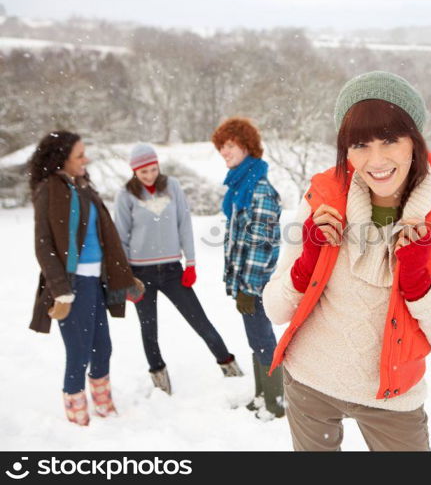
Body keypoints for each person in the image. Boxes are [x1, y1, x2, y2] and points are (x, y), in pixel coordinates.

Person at [262, 71, 431, 451]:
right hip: (309, 381)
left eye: (390, 140)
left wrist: (419, 286)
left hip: (392, 399)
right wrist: (307, 263)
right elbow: (275, 309)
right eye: (359, 144)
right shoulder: (323, 200)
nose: (375, 160)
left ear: (415, 140)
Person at [29, 131, 144, 426]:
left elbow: (107, 238)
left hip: (96, 282)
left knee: (102, 347)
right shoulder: (49, 190)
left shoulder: (83, 187)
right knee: (79, 352)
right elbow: (44, 245)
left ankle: (103, 404)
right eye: (79, 155)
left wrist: (124, 277)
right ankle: (77, 414)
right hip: (72, 285)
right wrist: (61, 290)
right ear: (61, 159)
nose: (86, 159)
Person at [114, 144, 243, 395]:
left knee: (200, 321)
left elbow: (184, 224)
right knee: (148, 328)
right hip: (140, 274)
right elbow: (121, 237)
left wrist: (191, 263)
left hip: (173, 271)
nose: (149, 175)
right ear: (134, 172)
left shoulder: (172, 186)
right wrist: (126, 276)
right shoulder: (125, 195)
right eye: (143, 172)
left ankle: (229, 366)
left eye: (153, 169)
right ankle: (159, 376)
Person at [212, 117, 283, 419]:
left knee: (263, 339)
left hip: (256, 283)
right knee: (256, 339)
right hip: (245, 282)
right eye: (221, 148)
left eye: (230, 146)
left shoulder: (259, 189)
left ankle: (276, 402)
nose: (224, 152)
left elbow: (261, 243)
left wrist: (249, 287)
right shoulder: (241, 184)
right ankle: (262, 395)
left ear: (246, 146)